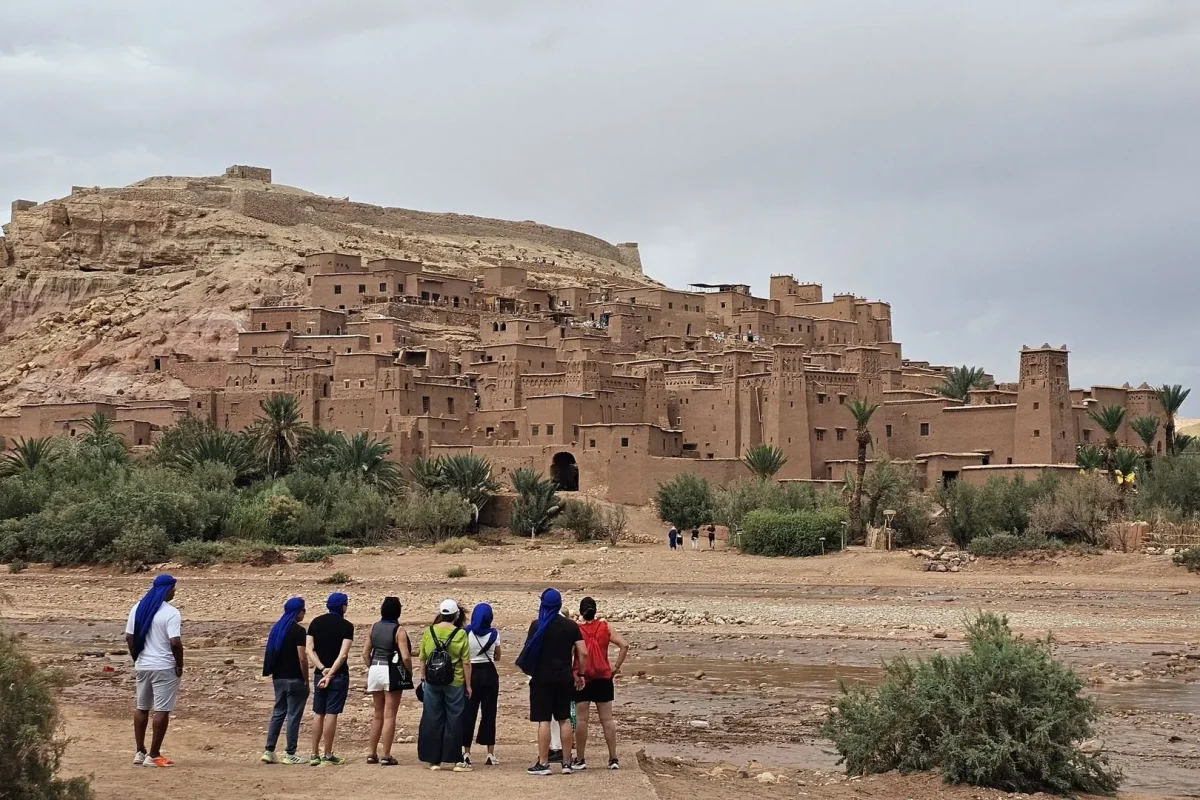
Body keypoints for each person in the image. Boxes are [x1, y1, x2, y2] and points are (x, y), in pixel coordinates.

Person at [516, 588, 588, 776]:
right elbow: (584, 652)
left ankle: (543, 763)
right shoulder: (571, 626)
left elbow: (529, 650)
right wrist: (580, 673)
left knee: (544, 720)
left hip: (542, 677)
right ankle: (566, 763)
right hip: (564, 676)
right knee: (564, 719)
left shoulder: (537, 625)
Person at [125, 574, 183, 768]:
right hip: (164, 666)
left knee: (142, 707)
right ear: (166, 589)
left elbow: (130, 637)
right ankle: (154, 754)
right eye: (173, 588)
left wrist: (137, 658)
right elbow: (175, 642)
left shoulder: (138, 608)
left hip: (143, 665)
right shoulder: (171, 613)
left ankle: (139, 751)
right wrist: (179, 664)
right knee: (162, 710)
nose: (174, 592)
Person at [572, 597, 629, 771]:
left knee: (582, 720)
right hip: (604, 677)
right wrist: (616, 668)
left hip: (583, 677)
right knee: (607, 720)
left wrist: (572, 674)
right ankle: (613, 758)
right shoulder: (605, 626)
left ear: (581, 611)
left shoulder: (576, 629)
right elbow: (624, 645)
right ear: (595, 610)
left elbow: (572, 654)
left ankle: (580, 759)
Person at [418, 599, 472, 771]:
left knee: (432, 717)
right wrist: (468, 685)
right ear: (456, 615)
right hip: (454, 682)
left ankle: (434, 760)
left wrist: (423, 678)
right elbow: (466, 662)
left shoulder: (429, 631)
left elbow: (422, 658)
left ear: (441, 614)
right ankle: (455, 759)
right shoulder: (460, 634)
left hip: (432, 681)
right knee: (454, 719)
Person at [306, 592, 354, 766]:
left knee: (318, 713)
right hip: (338, 675)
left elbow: (309, 650)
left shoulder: (315, 623)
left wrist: (322, 669)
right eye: (346, 604)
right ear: (342, 606)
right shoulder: (347, 626)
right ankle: (327, 754)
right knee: (332, 713)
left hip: (320, 673)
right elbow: (343, 654)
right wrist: (332, 673)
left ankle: (313, 754)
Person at [364, 596, 412, 766]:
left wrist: (371, 667)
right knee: (390, 714)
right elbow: (405, 656)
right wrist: (409, 671)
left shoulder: (373, 627)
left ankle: (371, 753)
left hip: (375, 668)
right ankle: (386, 754)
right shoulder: (399, 630)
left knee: (377, 713)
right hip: (390, 671)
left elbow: (365, 653)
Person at [261, 597, 309, 765]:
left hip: (278, 678)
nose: (304, 614)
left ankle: (269, 749)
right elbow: (302, 657)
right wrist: (306, 679)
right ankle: (290, 752)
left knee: (278, 712)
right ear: (298, 612)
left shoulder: (277, 629)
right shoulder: (298, 631)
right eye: (304, 610)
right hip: (294, 677)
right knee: (293, 715)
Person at [461, 602, 500, 767]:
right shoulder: (494, 634)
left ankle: (466, 752)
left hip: (471, 673)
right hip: (489, 674)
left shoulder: (466, 632)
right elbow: (497, 656)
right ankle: (490, 753)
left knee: (468, 713)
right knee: (489, 713)